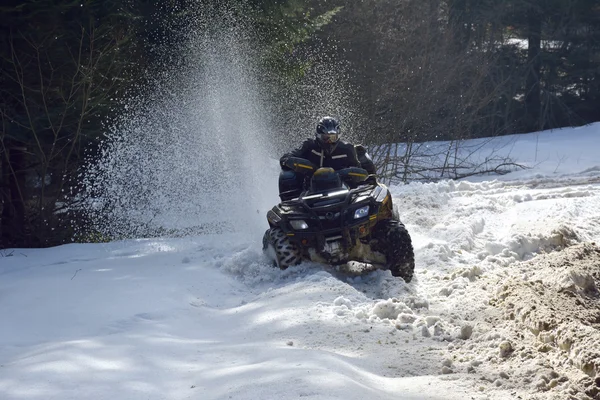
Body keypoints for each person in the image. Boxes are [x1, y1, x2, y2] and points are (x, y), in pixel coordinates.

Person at [278, 116, 377, 201]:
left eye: (333, 137)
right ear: (318, 135)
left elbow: (358, 170)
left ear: (338, 136)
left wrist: (355, 177)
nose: (329, 141)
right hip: (310, 194)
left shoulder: (347, 149)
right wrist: (290, 162)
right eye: (326, 137)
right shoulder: (309, 146)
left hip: (343, 193)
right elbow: (287, 157)